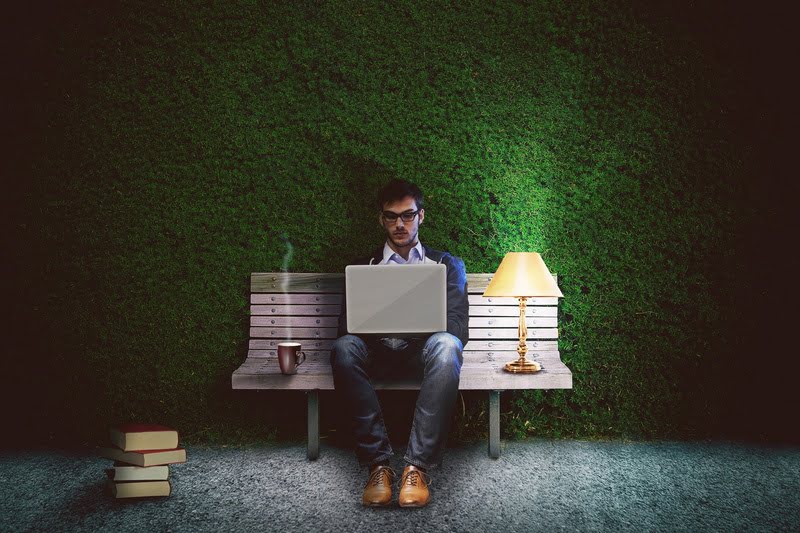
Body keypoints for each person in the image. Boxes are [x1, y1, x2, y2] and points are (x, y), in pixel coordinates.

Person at [331, 178, 469, 508]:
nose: (399, 224)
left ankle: (416, 468)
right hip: (376, 351)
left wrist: (418, 324)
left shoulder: (447, 265)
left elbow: (458, 327)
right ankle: (378, 466)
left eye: (407, 215)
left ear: (421, 216)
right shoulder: (364, 267)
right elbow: (345, 327)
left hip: (422, 354)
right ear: (381, 219)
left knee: (448, 346)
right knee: (343, 349)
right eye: (391, 216)